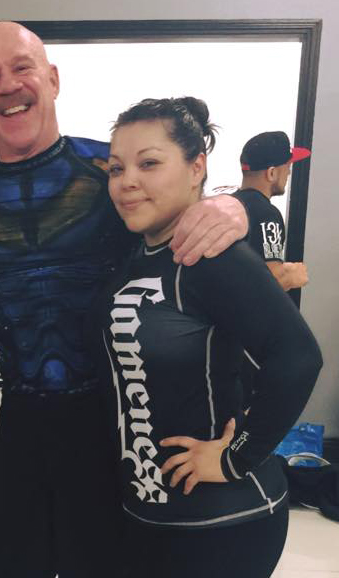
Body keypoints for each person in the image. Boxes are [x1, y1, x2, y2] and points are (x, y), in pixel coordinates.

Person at [0, 21, 250, 577]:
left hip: (110, 425)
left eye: (22, 68)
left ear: (53, 79)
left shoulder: (107, 173)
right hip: (19, 423)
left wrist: (234, 207)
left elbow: (180, 214)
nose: (8, 85)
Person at [97, 96, 322, 578]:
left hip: (223, 524)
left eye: (149, 163)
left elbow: (298, 356)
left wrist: (236, 459)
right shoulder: (135, 255)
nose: (127, 180)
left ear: (197, 167)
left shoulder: (213, 256)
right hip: (150, 516)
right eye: (116, 168)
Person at [234, 130, 311, 290]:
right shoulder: (267, 214)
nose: (289, 172)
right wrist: (291, 276)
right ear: (271, 173)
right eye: (287, 166)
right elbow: (272, 282)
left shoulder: (231, 204)